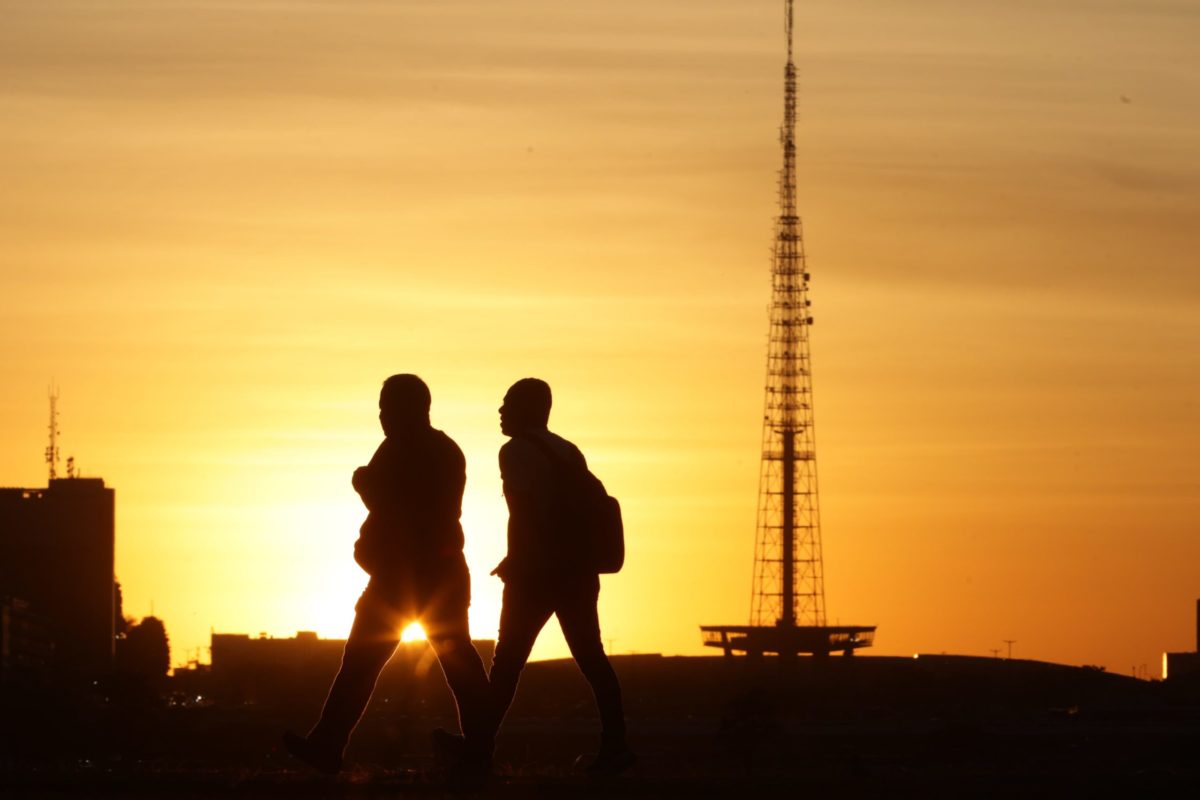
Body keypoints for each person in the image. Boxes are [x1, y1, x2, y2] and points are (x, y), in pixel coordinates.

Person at [284, 374, 490, 775]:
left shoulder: (418, 451)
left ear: (410, 409)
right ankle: (328, 743)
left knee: (448, 666)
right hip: (410, 576)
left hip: (419, 576)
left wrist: (363, 481)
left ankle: (479, 751)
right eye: (381, 409)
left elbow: (394, 503)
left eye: (387, 408)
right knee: (366, 663)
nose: (382, 417)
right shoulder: (434, 449)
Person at [485, 378, 634, 774]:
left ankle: (477, 750)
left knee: (508, 662)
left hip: (537, 573)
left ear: (529, 409)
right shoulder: (568, 451)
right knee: (592, 658)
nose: (500, 411)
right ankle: (616, 745)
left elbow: (525, 510)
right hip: (577, 573)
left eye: (508, 403)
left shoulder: (514, 451)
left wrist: (516, 560)